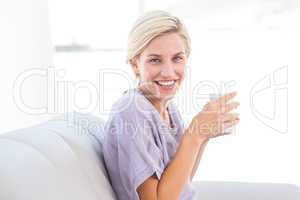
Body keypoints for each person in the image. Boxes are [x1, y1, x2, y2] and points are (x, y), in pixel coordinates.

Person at [102, 10, 240, 200]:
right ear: (135, 64)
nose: (168, 72)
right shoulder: (131, 111)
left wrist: (202, 136)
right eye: (155, 60)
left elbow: (180, 184)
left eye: (177, 58)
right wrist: (193, 135)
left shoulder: (167, 108)